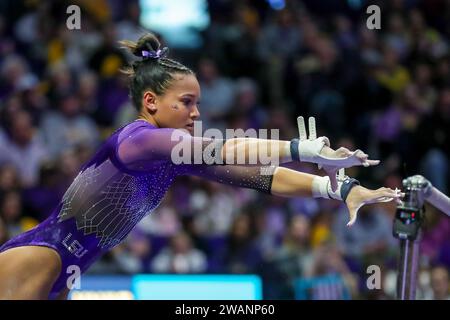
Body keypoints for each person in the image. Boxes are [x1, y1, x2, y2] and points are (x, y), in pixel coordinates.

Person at [0, 33, 401, 300]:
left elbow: (260, 176)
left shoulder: (171, 159)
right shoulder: (137, 139)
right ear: (152, 102)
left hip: (66, 270)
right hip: (42, 255)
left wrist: (338, 189)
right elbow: (225, 148)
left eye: (198, 103)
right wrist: (304, 148)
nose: (196, 112)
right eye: (186, 102)